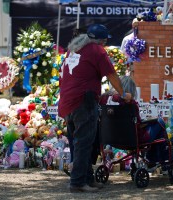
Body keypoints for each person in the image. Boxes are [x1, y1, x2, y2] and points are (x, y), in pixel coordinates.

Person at [58, 24, 132, 193]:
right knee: (84, 143)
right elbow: (112, 74)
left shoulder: (74, 49)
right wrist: (123, 94)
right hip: (83, 101)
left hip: (67, 102)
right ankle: (77, 183)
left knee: (80, 143)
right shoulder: (97, 50)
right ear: (102, 40)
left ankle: (88, 179)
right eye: (105, 42)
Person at [99, 76, 168, 163]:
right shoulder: (130, 104)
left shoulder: (104, 100)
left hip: (110, 138)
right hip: (132, 139)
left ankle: (155, 159)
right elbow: (138, 124)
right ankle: (156, 159)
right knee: (160, 122)